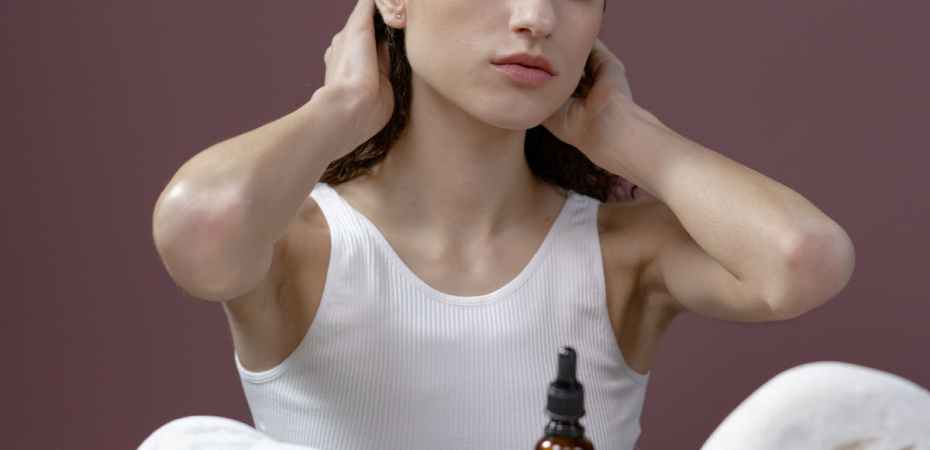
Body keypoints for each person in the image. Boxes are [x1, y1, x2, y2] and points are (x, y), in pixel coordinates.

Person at [148, 0, 855, 449]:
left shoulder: (623, 256)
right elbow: (198, 228)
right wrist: (341, 107)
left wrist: (627, 133)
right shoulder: (302, 243)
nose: (536, 17)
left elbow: (804, 261)